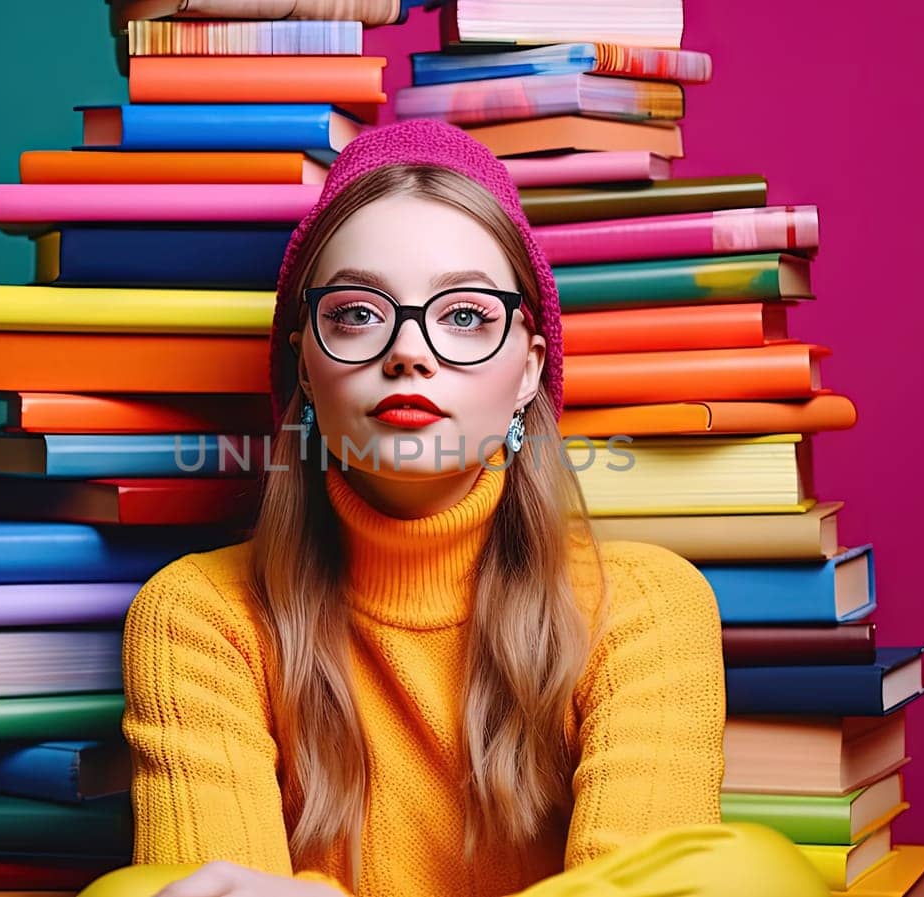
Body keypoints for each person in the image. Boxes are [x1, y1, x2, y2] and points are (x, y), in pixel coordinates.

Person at [107, 119, 830, 897]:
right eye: (356, 312)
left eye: (464, 315)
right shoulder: (199, 614)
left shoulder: (648, 605)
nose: (408, 352)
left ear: (528, 369)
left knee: (745, 873)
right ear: (305, 369)